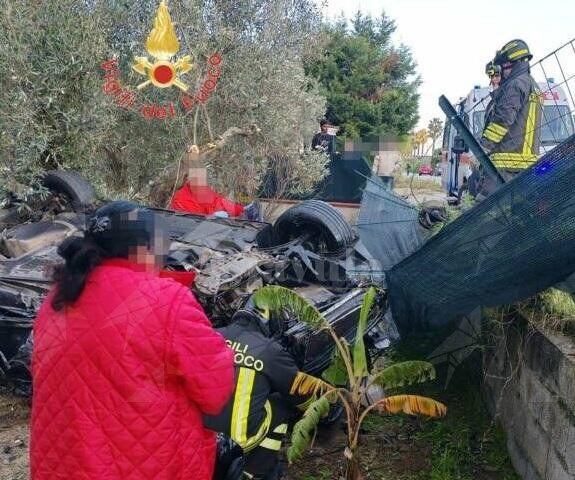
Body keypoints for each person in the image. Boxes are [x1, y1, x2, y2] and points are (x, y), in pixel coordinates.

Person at [30, 201, 235, 480]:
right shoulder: (168, 301)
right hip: (144, 465)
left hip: (60, 464)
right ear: (144, 249)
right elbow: (216, 391)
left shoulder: (58, 298)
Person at [204, 300, 323, 480]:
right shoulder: (269, 350)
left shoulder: (210, 335)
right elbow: (301, 394)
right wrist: (323, 404)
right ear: (267, 321)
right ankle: (258, 469)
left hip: (200, 433)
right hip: (240, 437)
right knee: (283, 404)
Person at [481, 39, 542, 180]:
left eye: (501, 67)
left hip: (506, 168)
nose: (500, 72)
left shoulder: (515, 85)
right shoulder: (533, 85)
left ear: (510, 64)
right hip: (528, 167)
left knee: (486, 202)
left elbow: (502, 120)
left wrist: (482, 150)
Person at [170, 164, 247, 217]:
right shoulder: (181, 198)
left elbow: (221, 203)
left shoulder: (204, 190)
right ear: (189, 178)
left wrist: (241, 209)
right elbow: (191, 221)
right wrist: (212, 217)